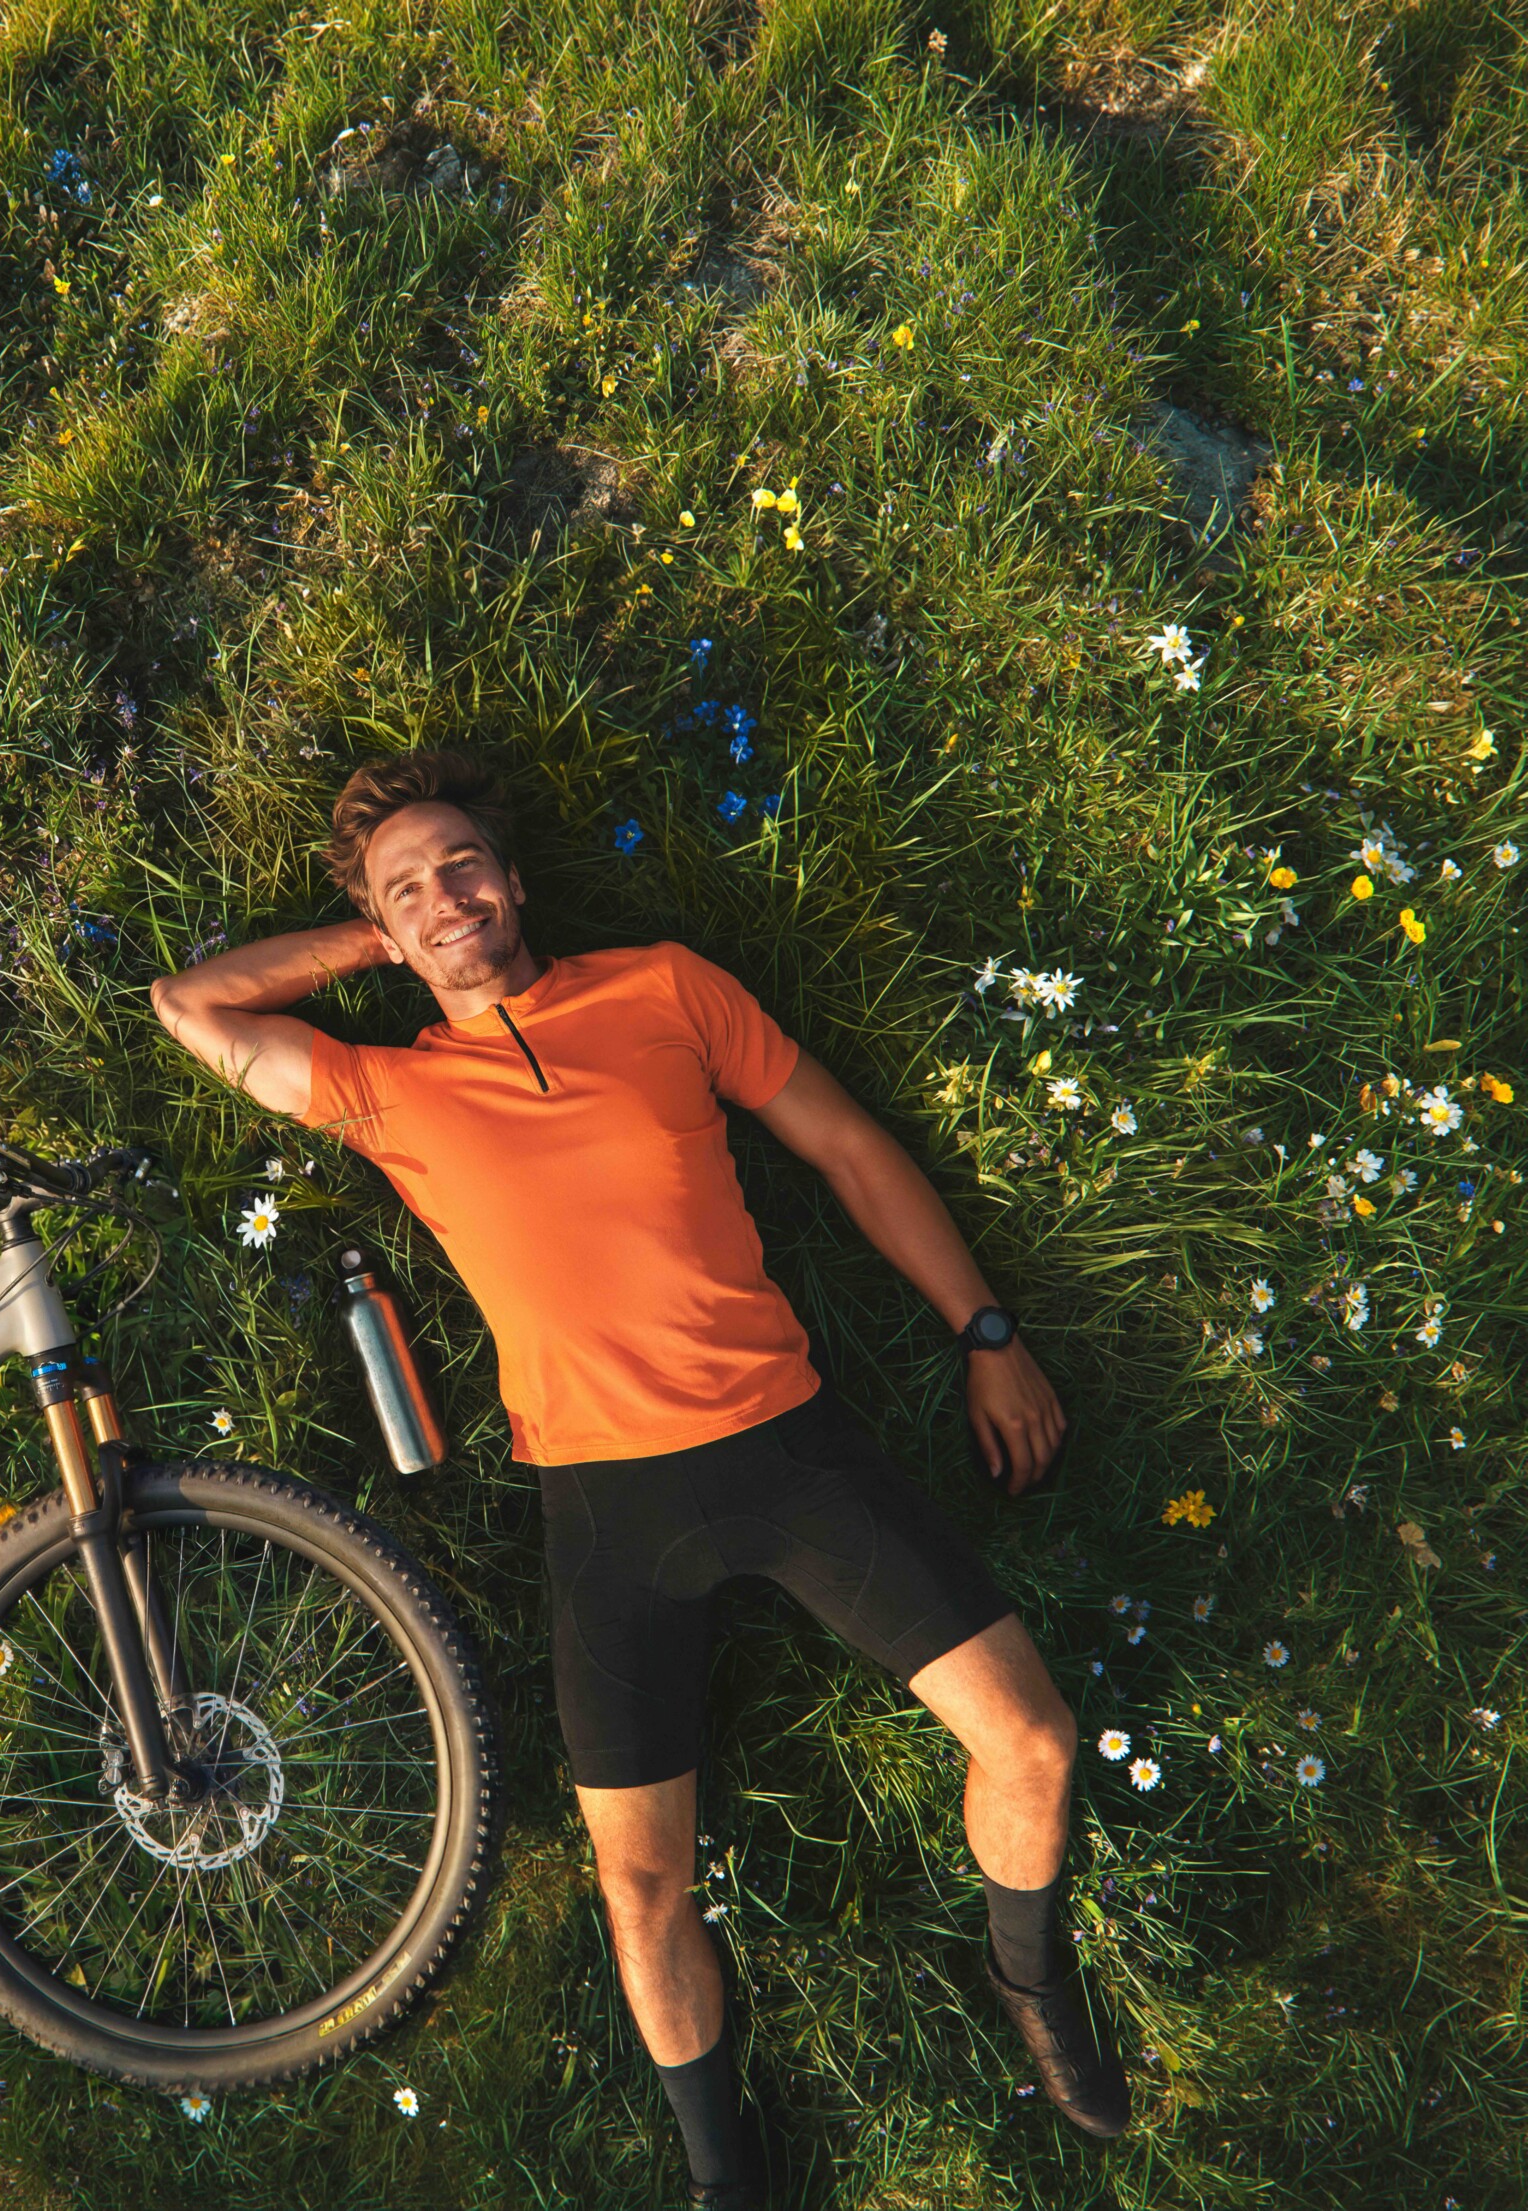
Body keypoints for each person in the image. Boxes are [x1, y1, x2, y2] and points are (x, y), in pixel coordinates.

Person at [149, 748, 1128, 2206]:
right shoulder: (383, 1088)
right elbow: (191, 1005)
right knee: (637, 1888)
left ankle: (1033, 1981)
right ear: (381, 927)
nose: (448, 897)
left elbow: (848, 1148)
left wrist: (985, 1331)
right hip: (606, 1507)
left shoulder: (665, 988)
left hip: (787, 1446)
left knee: (1034, 1743)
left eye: (464, 866)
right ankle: (727, 2178)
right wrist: (389, 928)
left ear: (518, 873)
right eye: (409, 886)